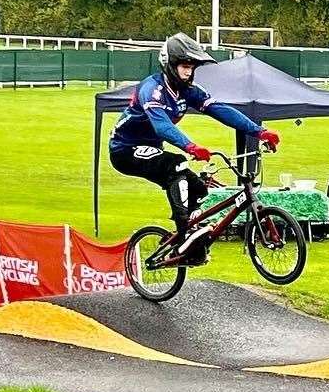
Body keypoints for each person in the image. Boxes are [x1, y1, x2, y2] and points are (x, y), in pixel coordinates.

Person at [109, 34, 279, 265]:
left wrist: (258, 131)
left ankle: (192, 238)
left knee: (199, 188)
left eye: (192, 68)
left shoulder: (188, 90)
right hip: (125, 151)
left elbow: (219, 109)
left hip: (151, 150)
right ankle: (185, 234)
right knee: (176, 163)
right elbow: (162, 126)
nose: (189, 72)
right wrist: (190, 147)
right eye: (185, 67)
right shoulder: (152, 89)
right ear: (170, 65)